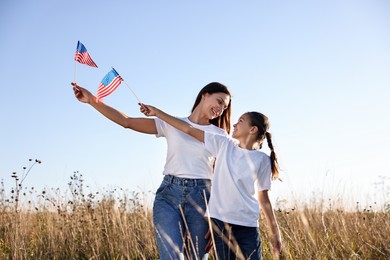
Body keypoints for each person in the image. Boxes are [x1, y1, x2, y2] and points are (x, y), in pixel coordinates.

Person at [71, 81, 232, 259]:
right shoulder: (172, 123)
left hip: (202, 199)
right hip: (169, 196)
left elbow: (221, 179)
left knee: (196, 257)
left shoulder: (220, 135)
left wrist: (218, 217)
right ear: (205, 95)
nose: (220, 109)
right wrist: (92, 101)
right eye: (219, 101)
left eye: (224, 107)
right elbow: (126, 122)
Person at [140, 104, 282, 260]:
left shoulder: (263, 160)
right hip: (220, 224)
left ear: (252, 129)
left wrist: (275, 232)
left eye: (241, 121)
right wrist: (158, 113)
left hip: (248, 226)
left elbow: (264, 198)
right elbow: (188, 129)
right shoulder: (224, 144)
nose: (234, 124)